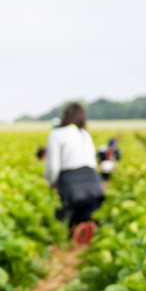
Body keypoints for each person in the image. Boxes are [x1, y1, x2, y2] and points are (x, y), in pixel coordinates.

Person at [44, 103, 105, 245]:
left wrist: (51, 184)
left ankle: (69, 239)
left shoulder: (56, 134)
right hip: (93, 183)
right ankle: (86, 230)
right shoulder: (85, 135)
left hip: (70, 183)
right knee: (86, 215)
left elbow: (53, 167)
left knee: (64, 219)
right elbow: (93, 162)